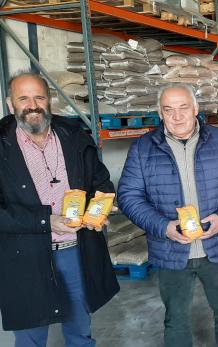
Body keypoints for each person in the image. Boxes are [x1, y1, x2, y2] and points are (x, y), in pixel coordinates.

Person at [117, 83, 218, 347]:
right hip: (171, 251)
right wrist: (163, 226)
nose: (177, 116)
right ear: (160, 112)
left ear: (196, 109)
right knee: (175, 317)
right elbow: (129, 196)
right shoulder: (143, 149)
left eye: (183, 108)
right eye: (169, 110)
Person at [0, 72, 119, 346]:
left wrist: (99, 211)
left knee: (80, 331)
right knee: (31, 337)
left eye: (39, 97)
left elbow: (100, 182)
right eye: (23, 98)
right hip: (24, 258)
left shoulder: (74, 136)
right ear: (10, 104)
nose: (33, 105)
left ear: (50, 100)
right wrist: (46, 221)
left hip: (75, 252)